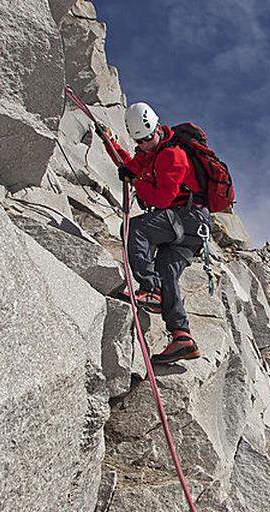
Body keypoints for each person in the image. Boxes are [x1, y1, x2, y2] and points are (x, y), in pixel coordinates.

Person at [97, 102, 209, 365]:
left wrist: (136, 180)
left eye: (148, 138)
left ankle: (150, 289)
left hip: (187, 219)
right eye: (140, 141)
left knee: (135, 228)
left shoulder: (172, 154)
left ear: (158, 128)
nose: (145, 144)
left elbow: (161, 198)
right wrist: (109, 142)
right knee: (167, 269)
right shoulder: (148, 153)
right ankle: (182, 336)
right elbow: (131, 167)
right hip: (192, 229)